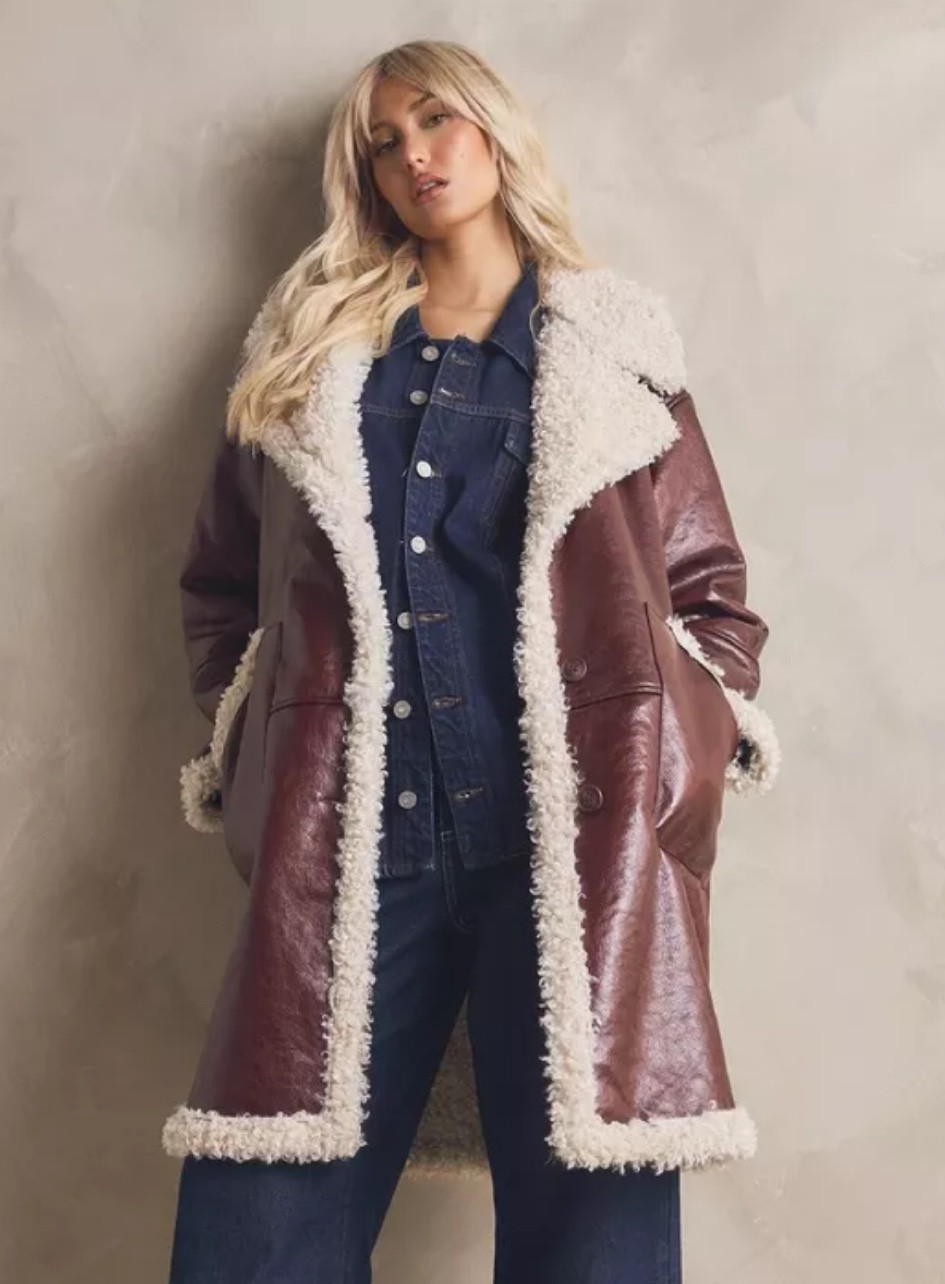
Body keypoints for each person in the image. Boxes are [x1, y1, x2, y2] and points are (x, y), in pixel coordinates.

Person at [163, 37, 781, 1284]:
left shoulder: (612, 349)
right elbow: (223, 586)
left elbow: (712, 596)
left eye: (435, 121)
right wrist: (254, 742)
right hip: (350, 844)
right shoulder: (309, 352)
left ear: (494, 131)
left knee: (594, 1249)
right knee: (253, 1234)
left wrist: (678, 751)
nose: (414, 156)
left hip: (571, 847)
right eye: (383, 143)